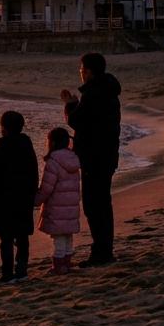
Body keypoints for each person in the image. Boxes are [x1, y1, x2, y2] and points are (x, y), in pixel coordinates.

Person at [60, 51, 121, 267]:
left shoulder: (94, 93)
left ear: (89, 71)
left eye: (82, 70)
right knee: (102, 203)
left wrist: (69, 105)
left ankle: (101, 252)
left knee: (94, 205)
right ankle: (104, 249)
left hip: (94, 157)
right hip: (107, 154)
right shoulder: (109, 91)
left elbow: (78, 121)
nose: (81, 73)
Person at [0, 110, 39, 285]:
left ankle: (7, 272)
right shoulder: (28, 149)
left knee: (6, 238)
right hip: (23, 200)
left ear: (3, 129)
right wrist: (32, 194)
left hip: (3, 202)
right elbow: (34, 174)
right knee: (22, 237)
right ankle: (21, 270)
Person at [34, 126, 81, 274]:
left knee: (59, 238)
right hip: (71, 206)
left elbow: (47, 188)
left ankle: (59, 265)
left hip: (57, 207)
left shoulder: (53, 162)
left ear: (52, 143)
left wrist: (37, 200)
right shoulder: (73, 159)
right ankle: (67, 263)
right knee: (67, 236)